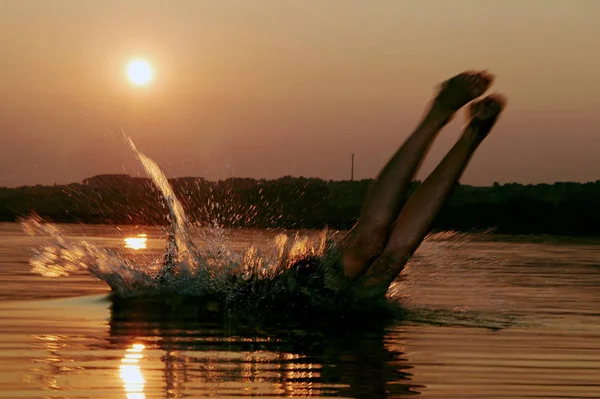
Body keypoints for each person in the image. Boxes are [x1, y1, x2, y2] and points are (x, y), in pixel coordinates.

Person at [339, 70, 506, 297]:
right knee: (388, 265)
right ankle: (472, 136)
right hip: (341, 316)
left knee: (366, 243)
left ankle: (439, 111)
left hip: (298, 296)